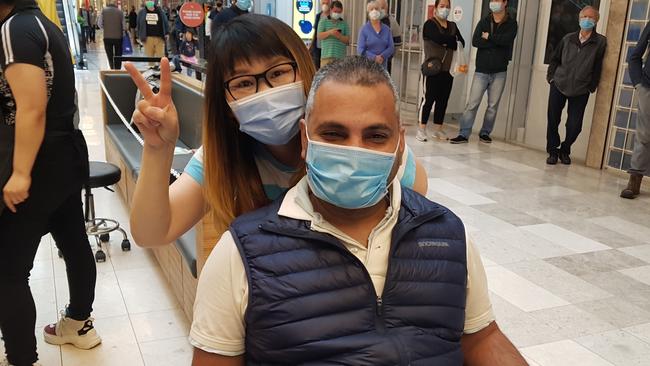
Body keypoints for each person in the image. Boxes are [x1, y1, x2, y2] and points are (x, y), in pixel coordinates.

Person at [189, 56, 528, 366]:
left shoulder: (448, 233)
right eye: (334, 134)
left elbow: (482, 337)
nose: (354, 152)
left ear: (400, 144)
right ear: (305, 140)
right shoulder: (241, 253)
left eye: (376, 136)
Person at [124, 14, 427, 255]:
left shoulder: (361, 150)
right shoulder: (223, 158)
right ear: (226, 104)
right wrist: (158, 149)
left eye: (278, 72)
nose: (266, 93)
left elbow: (416, 236)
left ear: (304, 69)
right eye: (243, 83)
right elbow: (152, 233)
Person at [0, 0, 101, 365]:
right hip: (66, 152)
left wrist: (21, 172)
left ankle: (22, 357)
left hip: (39, 159)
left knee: (9, 270)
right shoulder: (45, 24)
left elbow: (31, 107)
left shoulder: (13, 29)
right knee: (73, 239)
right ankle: (78, 323)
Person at [545, 6, 606, 165]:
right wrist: (551, 77)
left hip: (581, 89)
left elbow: (598, 65)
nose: (587, 20)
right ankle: (552, 151)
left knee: (574, 125)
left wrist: (591, 86)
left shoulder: (600, 42)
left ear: (596, 21)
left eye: (591, 17)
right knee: (553, 119)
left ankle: (564, 149)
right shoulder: (567, 38)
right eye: (584, 16)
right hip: (559, 84)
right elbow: (555, 59)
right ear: (579, 19)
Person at [450, 0, 517, 144]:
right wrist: (495, 42)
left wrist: (489, 37)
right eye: (492, 0)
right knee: (472, 104)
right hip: (482, 70)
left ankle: (485, 132)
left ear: (505, 3)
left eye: (497, 0)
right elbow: (475, 41)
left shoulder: (511, 23)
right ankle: (463, 134)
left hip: (499, 71)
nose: (493, 3)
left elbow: (507, 40)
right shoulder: (484, 21)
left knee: (492, 106)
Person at [417, 0, 465, 142]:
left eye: (447, 7)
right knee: (428, 99)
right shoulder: (429, 24)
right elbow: (438, 38)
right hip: (432, 69)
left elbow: (461, 42)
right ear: (436, 8)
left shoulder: (452, 26)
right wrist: (450, 40)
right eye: (442, 6)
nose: (445, 9)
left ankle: (438, 129)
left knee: (443, 101)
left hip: (447, 70)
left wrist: (449, 40)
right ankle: (421, 128)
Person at [622, 22, 650, 198]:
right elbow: (635, 56)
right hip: (648, 88)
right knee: (644, 135)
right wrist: (639, 85)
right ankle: (634, 181)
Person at [358, 1, 394, 70]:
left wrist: (382, 57)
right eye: (371, 9)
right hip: (367, 67)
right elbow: (360, 49)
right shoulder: (364, 29)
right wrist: (374, 57)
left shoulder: (386, 29)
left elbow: (391, 47)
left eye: (376, 9)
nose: (374, 11)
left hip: (382, 67)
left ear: (380, 11)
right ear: (368, 13)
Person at [316, 1, 349, 67]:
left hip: (340, 57)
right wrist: (330, 32)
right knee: (325, 76)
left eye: (339, 12)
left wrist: (339, 36)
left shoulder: (344, 23)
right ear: (331, 10)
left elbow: (347, 40)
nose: (337, 13)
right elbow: (319, 36)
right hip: (326, 57)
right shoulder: (323, 21)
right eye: (335, 11)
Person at [377, 0, 402, 73]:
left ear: (386, 9)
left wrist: (388, 56)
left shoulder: (392, 22)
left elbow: (398, 43)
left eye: (381, 7)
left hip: (385, 62)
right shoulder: (372, 20)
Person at [99, 2, 125, 70]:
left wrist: (105, 28)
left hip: (107, 37)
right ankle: (117, 69)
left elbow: (99, 23)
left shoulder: (103, 11)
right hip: (118, 37)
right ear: (115, 5)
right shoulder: (120, 12)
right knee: (118, 55)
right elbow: (124, 25)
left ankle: (112, 67)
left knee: (110, 55)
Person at [310, 0, 331, 69]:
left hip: (328, 48)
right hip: (318, 47)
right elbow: (315, 32)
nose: (325, 5)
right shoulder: (318, 16)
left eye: (327, 3)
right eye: (323, 3)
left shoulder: (333, 17)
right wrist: (312, 45)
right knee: (317, 66)